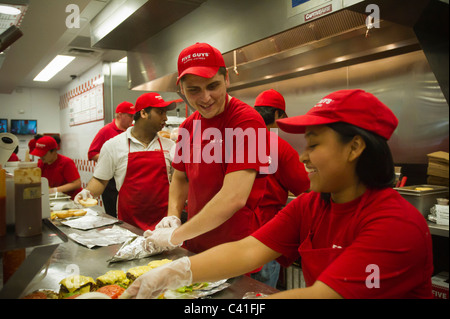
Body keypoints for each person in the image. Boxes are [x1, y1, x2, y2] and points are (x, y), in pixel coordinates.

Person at [123, 89, 433, 299]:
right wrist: (171, 274)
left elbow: (321, 295)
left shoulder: (394, 224)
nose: (304, 157)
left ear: (355, 147)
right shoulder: (312, 206)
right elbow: (246, 251)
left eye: (313, 145)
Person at [144, 43, 270, 259]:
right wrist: (172, 217)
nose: (205, 98)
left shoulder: (247, 122)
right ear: (181, 89)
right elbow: (180, 178)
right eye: (194, 90)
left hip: (236, 249)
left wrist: (174, 236)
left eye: (213, 86)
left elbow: (234, 198)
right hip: (195, 243)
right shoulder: (188, 127)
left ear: (227, 79)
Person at [75, 93, 177, 231]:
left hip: (164, 223)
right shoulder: (113, 145)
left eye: (165, 113)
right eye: (160, 112)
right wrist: (87, 192)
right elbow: (100, 180)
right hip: (128, 224)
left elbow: (179, 182)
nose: (165, 118)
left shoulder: (170, 146)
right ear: (143, 113)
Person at [251, 89, 310, 287]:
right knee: (262, 292)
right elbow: (308, 189)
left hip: (235, 230)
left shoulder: (235, 142)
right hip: (268, 232)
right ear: (276, 115)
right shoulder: (279, 146)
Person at [87, 101, 135, 217]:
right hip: (110, 180)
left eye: (133, 116)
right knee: (113, 214)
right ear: (120, 115)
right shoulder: (106, 131)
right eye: (130, 116)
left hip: (128, 178)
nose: (132, 119)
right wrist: (114, 160)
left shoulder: (133, 131)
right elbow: (92, 153)